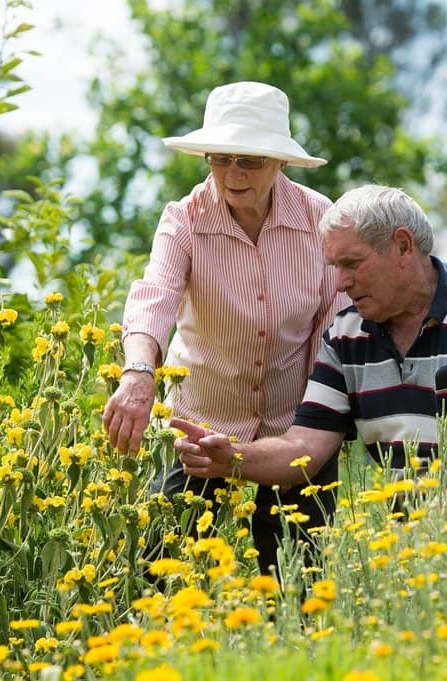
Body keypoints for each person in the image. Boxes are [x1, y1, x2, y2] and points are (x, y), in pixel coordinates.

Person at [174, 184, 447, 524]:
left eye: (352, 263)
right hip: (429, 544)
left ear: (403, 246)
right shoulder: (345, 338)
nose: (340, 284)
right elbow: (304, 448)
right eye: (335, 266)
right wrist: (234, 457)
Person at [102, 81, 346, 575]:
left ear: (279, 162)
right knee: (161, 572)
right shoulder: (184, 219)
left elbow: (333, 331)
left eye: (249, 160)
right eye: (219, 158)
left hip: (293, 433)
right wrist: (138, 374)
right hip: (199, 427)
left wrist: (318, 428)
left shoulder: (320, 219)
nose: (232, 173)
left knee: (298, 580)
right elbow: (155, 297)